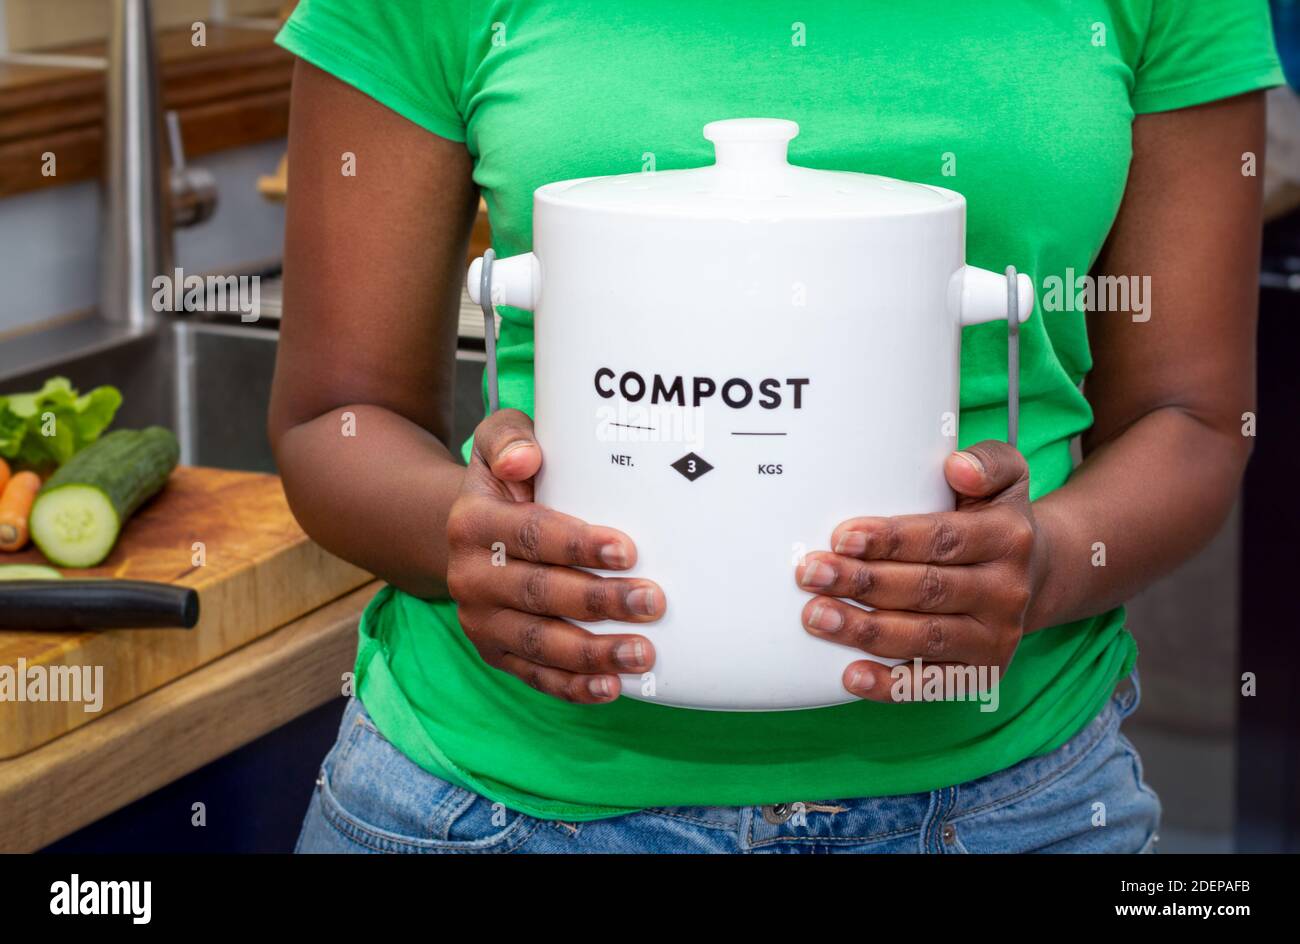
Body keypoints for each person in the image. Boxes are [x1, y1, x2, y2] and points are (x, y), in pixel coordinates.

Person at [267, 0, 1284, 853]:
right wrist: (471, 538)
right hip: (488, 805)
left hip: (1016, 800)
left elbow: (1189, 414)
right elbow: (334, 415)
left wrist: (1046, 562)